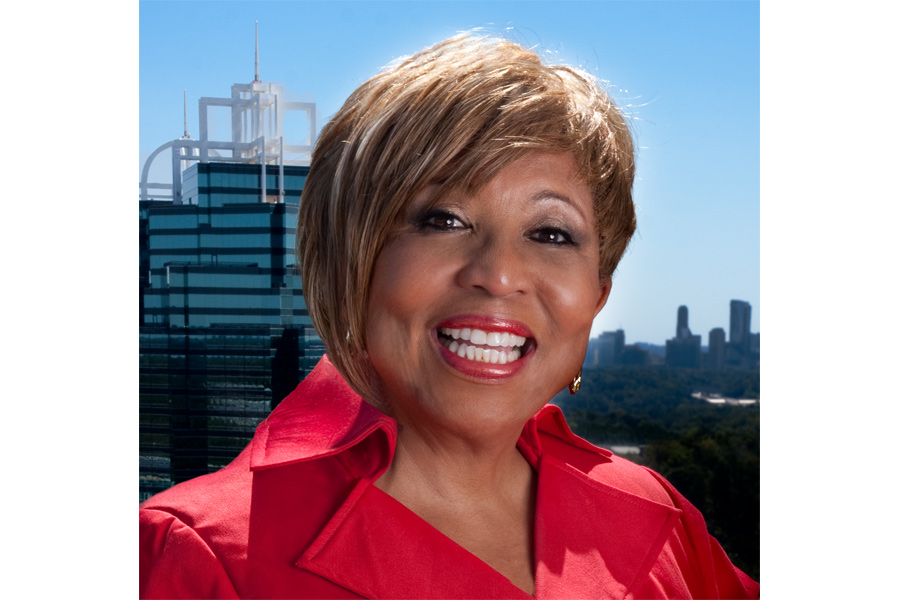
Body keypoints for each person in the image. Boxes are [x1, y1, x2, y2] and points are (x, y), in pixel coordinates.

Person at [140, 34, 760, 599]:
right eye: (443, 220)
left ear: (598, 294)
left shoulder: (655, 517)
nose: (499, 273)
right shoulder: (194, 555)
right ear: (350, 262)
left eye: (550, 232)